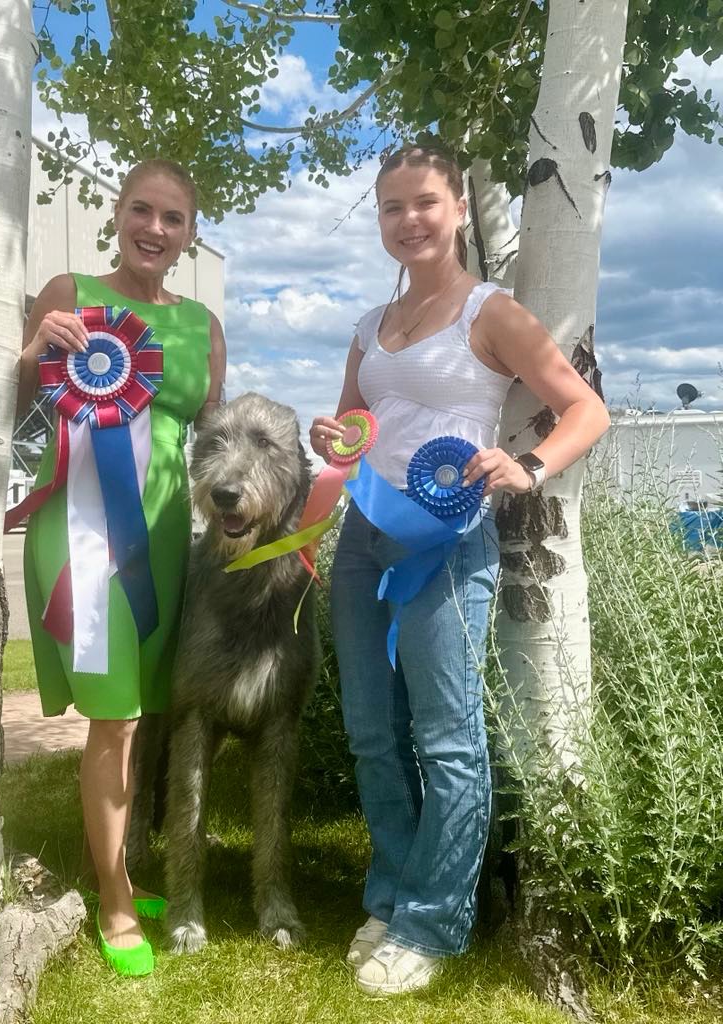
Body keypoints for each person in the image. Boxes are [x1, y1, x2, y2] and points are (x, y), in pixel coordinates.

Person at [310, 144, 609, 996]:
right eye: (392, 206)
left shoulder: (492, 311)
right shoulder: (368, 326)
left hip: (446, 545)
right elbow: (353, 428)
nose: (409, 219)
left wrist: (531, 465)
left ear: (457, 211)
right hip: (363, 540)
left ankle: (435, 922)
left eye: (425, 202)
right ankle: (392, 895)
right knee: (372, 732)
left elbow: (585, 408)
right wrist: (331, 439)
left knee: (445, 737)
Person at [17, 159, 226, 977]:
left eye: (174, 219)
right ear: (117, 212)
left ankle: (118, 869)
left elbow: (213, 441)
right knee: (117, 719)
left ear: (190, 234)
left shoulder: (202, 324)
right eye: (143, 210)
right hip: (83, 536)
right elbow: (7, 406)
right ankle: (112, 899)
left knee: (140, 712)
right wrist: (35, 349)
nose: (155, 229)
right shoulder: (70, 293)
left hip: (166, 542)